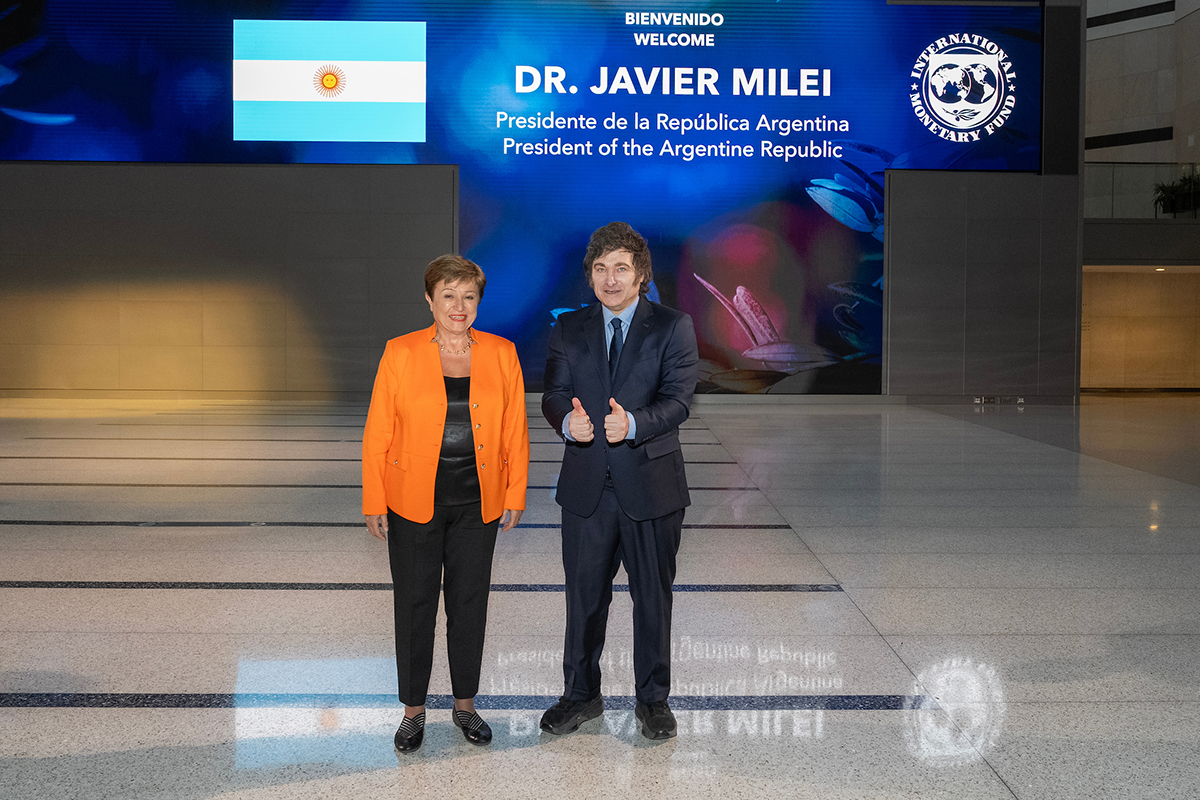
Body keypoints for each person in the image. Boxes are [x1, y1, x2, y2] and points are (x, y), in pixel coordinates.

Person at [362, 254, 529, 753]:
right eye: (448, 295)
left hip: (479, 501)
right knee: (414, 606)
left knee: (469, 604)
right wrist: (374, 499)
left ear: (479, 302)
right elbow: (378, 431)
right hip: (412, 501)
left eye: (469, 296)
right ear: (429, 300)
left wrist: (515, 492)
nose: (459, 306)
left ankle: (465, 705)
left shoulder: (502, 352)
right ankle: (413, 711)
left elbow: (515, 429)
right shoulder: (400, 352)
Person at [539, 222, 699, 740]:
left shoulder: (673, 326)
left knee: (652, 599)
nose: (611, 279)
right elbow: (553, 394)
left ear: (641, 275)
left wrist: (632, 424)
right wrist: (568, 421)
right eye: (601, 268)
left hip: (651, 486)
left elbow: (678, 401)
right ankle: (580, 695)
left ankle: (653, 701)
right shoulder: (569, 327)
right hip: (587, 489)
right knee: (584, 600)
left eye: (622, 268)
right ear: (590, 275)